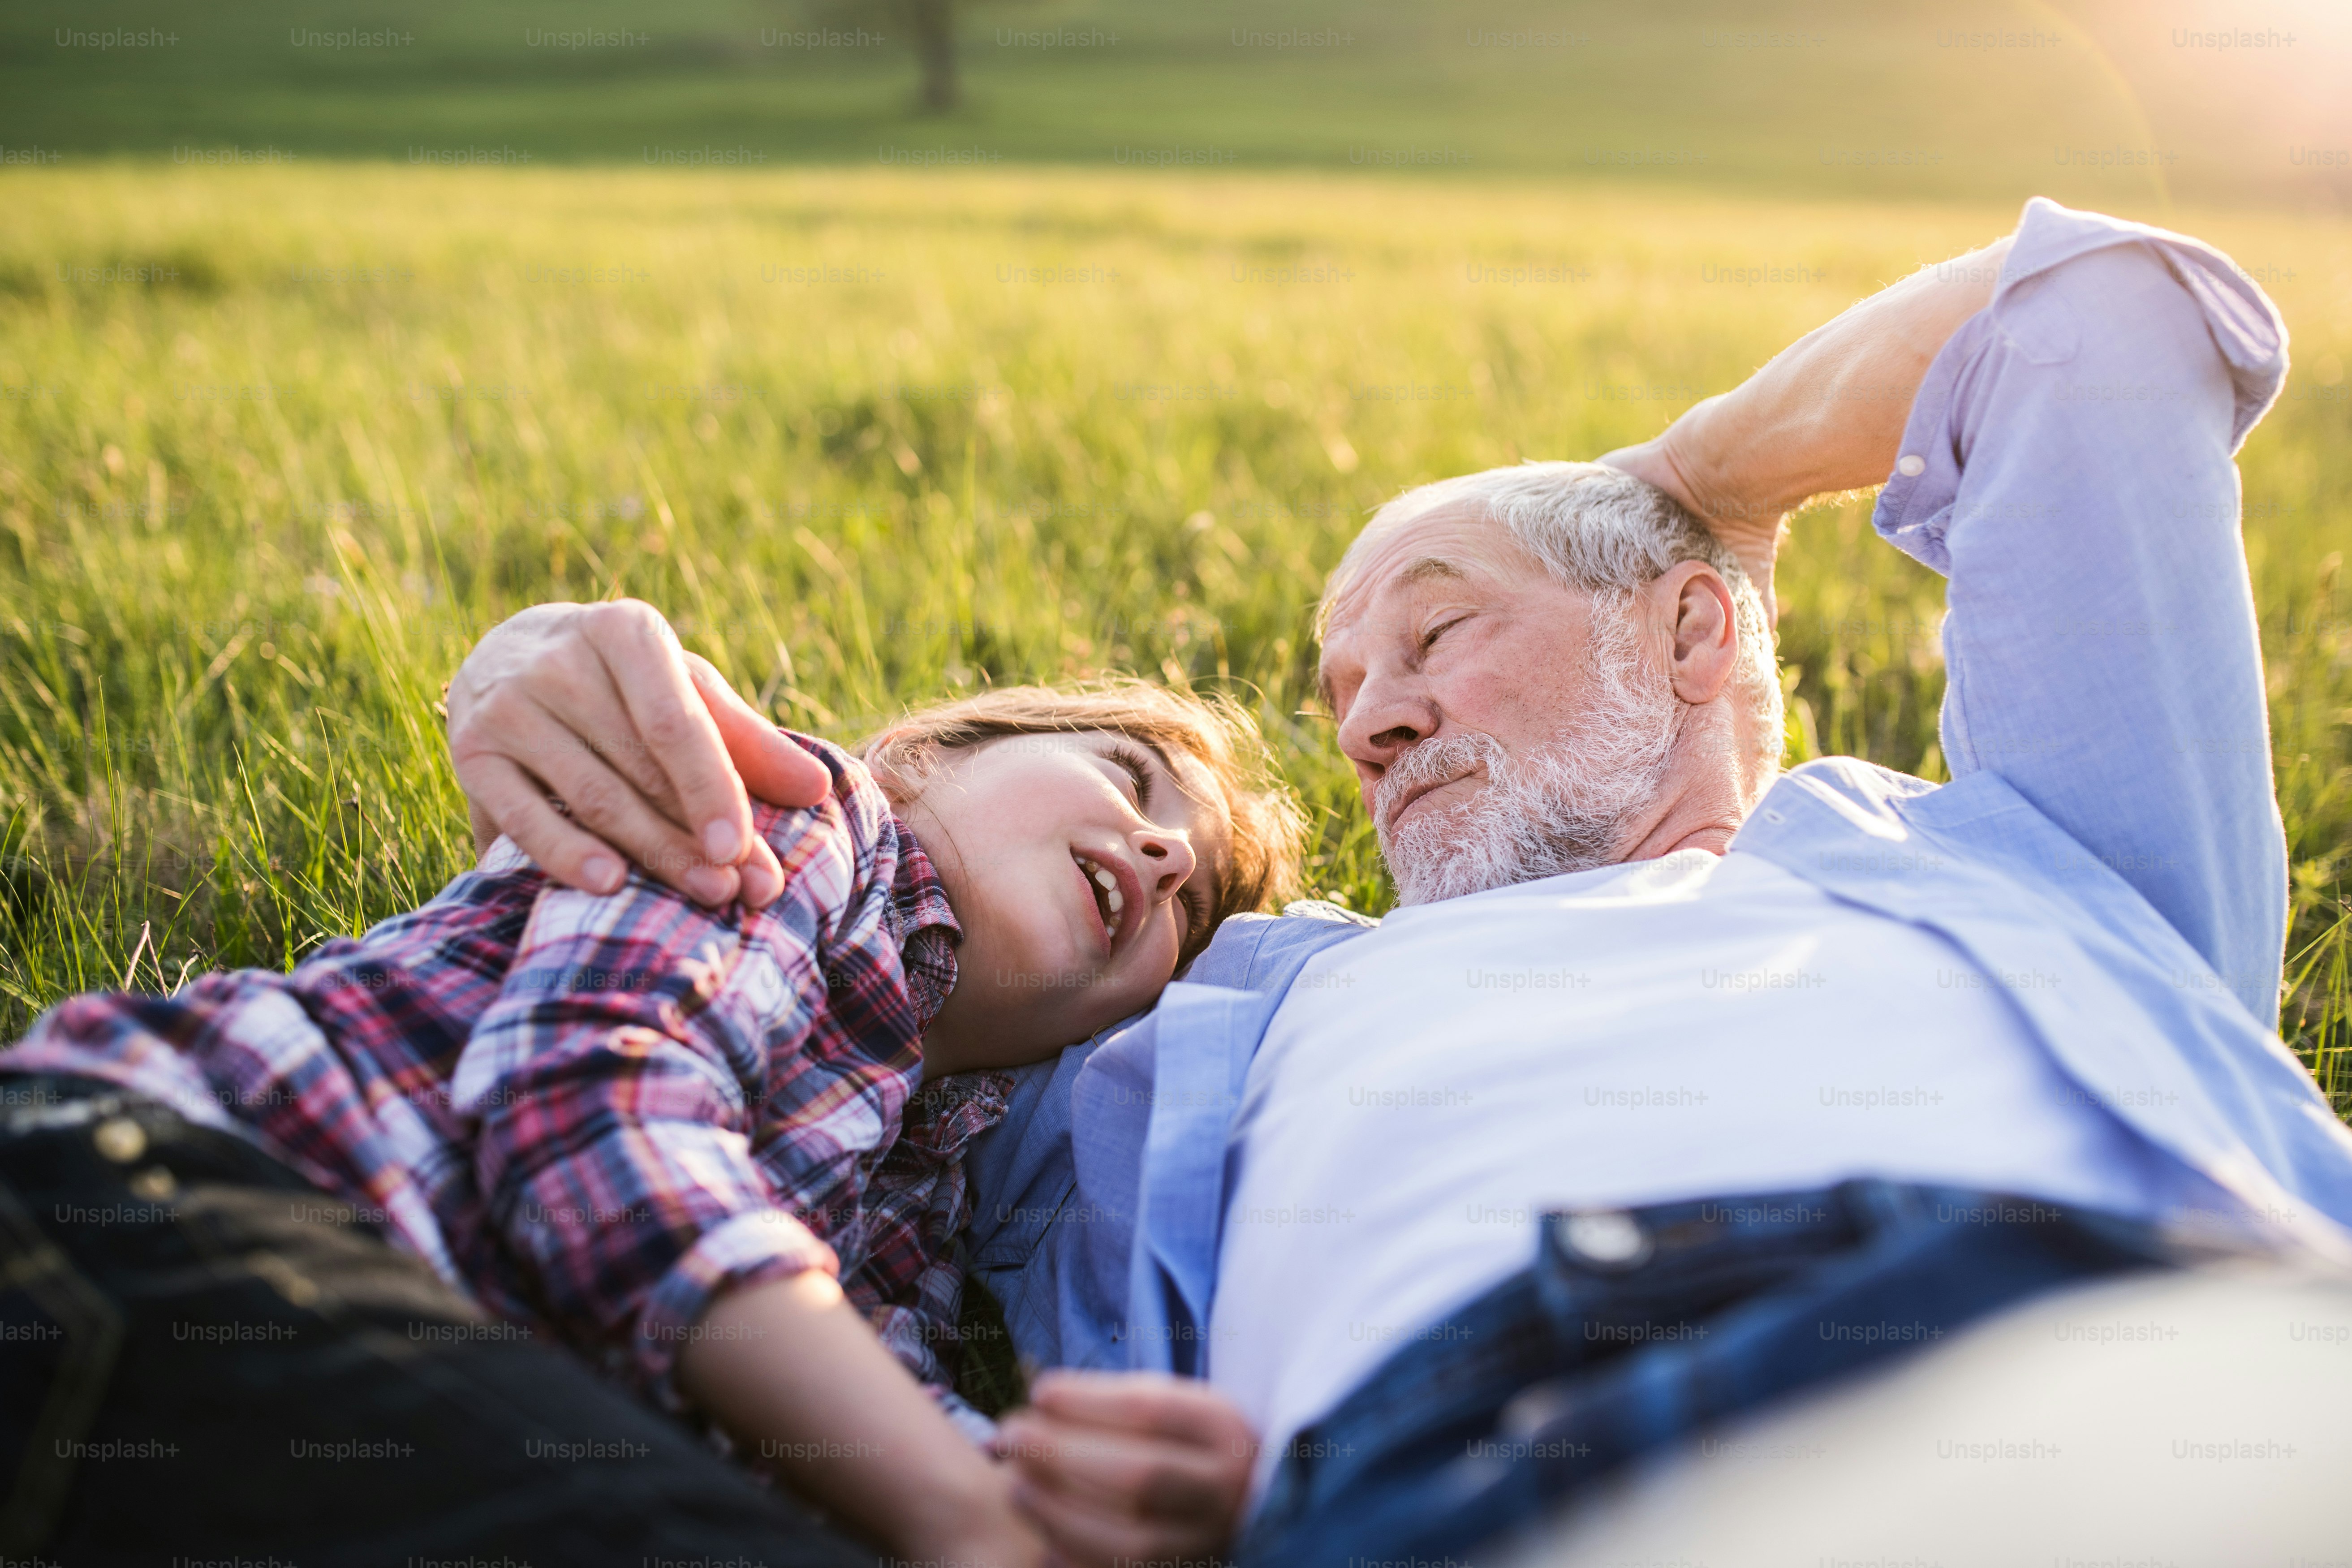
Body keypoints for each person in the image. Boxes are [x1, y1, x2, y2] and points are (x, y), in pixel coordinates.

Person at [442, 198, 2352, 1564]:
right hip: (1460, 1463)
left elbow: (2100, 316)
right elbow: (820, 943)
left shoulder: (2025, 847)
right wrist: (533, 662)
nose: (1369, 723)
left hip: (2137, 1327)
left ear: (1692, 632)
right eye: (1345, 690)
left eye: (1436, 635)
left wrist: (1700, 485)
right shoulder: (1209, 1002)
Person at [0, 680, 1303, 1564]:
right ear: (929, 758)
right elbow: (591, 1106)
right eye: (1130, 777)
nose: (1160, 856)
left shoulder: (920, 1187)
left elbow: (831, 1423)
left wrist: (1044, 1491)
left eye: (1184, 913)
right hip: (156, 1200)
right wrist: (968, 1510)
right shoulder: (797, 825)